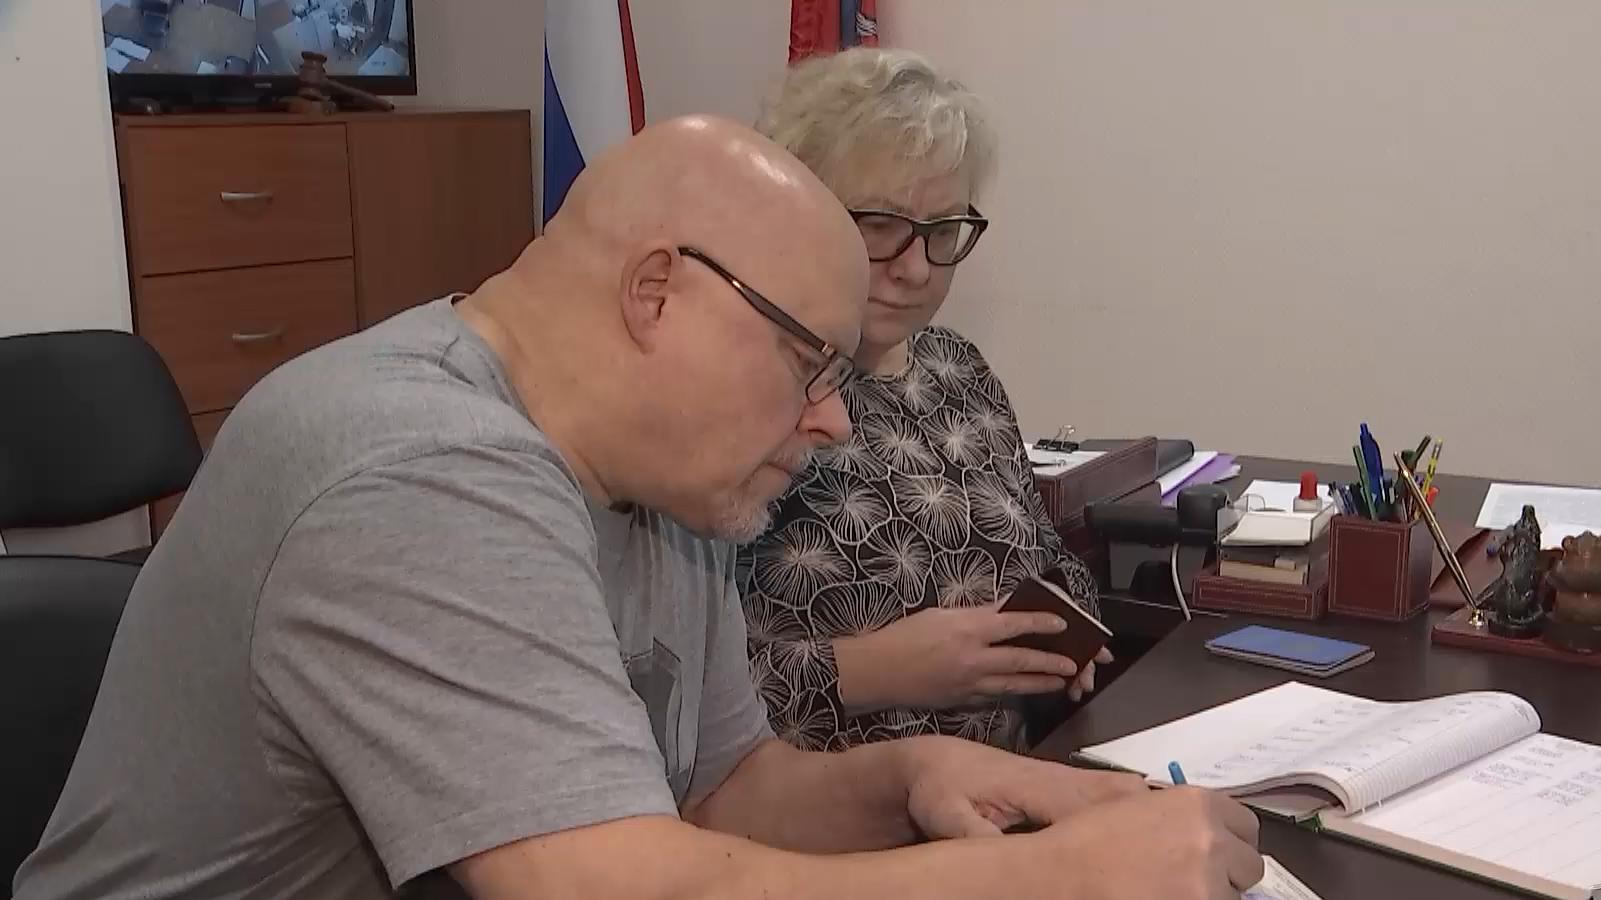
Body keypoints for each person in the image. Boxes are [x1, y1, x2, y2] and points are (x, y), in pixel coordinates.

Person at [14, 116, 1260, 900]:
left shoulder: (672, 491)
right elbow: (608, 885)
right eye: (809, 364)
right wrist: (1057, 879)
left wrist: (912, 777)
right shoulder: (416, 465)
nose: (834, 421)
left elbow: (722, 795)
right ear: (657, 293)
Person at [742, 47, 1104, 752]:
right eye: (879, 225)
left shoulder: (956, 367)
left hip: (1006, 786)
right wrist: (875, 672)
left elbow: (1045, 554)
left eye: (941, 231)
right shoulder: (744, 387)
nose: (914, 268)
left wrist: (1062, 629)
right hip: (823, 804)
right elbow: (668, 690)